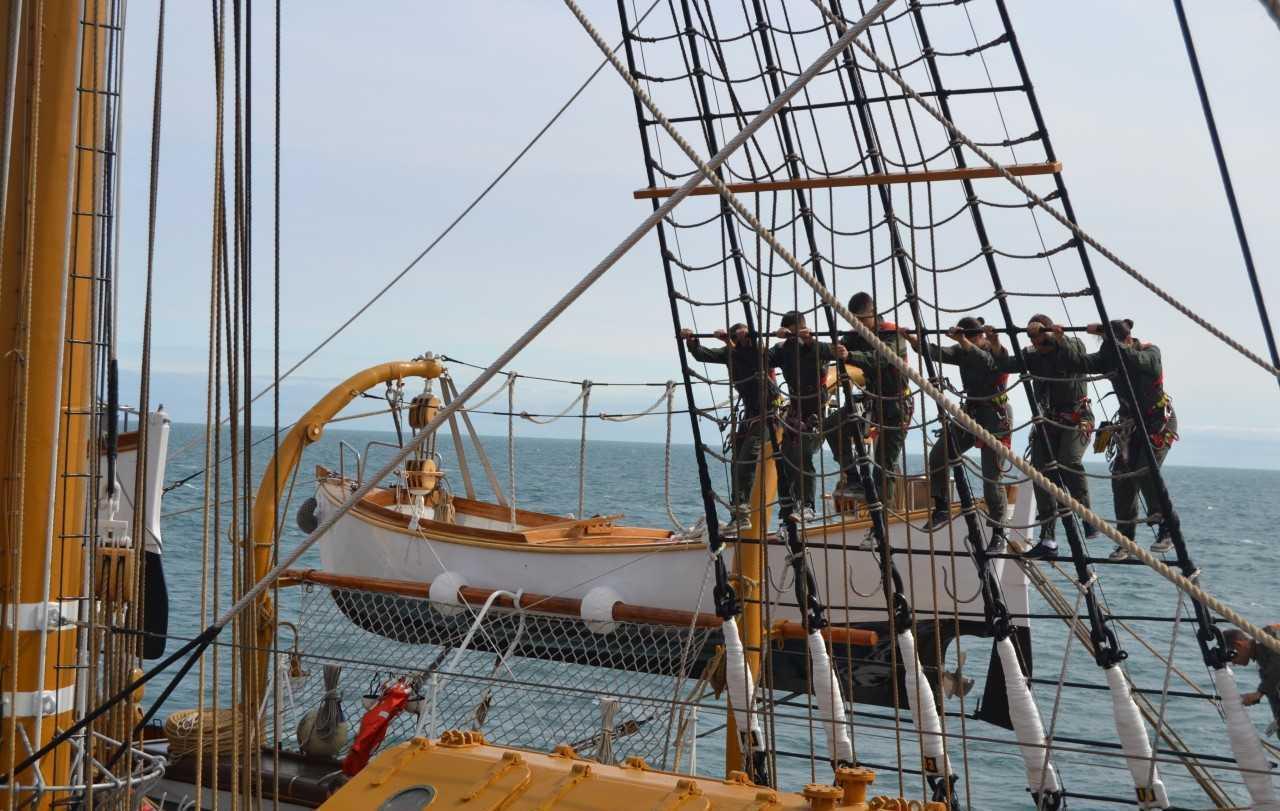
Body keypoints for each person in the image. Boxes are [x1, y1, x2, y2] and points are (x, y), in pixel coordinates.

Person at [904, 318, 1012, 553]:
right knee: (938, 455)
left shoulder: (992, 350)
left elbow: (987, 362)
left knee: (991, 480)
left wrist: (963, 341)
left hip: (995, 416)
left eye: (969, 339)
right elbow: (935, 352)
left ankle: (998, 532)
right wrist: (913, 339)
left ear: (977, 337)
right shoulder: (962, 350)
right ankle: (941, 506)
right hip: (970, 413)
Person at [1078, 318, 1178, 561]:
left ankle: (1167, 528)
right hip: (1129, 427)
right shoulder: (1110, 355)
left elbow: (1137, 361)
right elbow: (1081, 363)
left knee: (1145, 470)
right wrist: (1060, 342)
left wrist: (1107, 338)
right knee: (1121, 479)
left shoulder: (1149, 352)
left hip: (1157, 423)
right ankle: (1126, 540)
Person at [998, 315, 1095, 560]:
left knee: (1069, 460)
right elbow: (1004, 363)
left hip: (1076, 418)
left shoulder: (1071, 344)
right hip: (1048, 422)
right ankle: (1048, 539)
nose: (1036, 342)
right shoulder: (1033, 356)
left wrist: (1057, 337)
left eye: (1039, 336)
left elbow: (1075, 357)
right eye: (1032, 337)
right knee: (1040, 473)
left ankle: (1086, 515)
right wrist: (994, 343)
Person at [682, 324, 776, 528]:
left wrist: (731, 342)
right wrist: (691, 340)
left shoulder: (760, 353)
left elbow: (750, 360)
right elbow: (702, 354)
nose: (742, 341)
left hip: (768, 415)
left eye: (745, 338)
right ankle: (739, 514)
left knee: (746, 459)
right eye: (739, 338)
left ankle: (742, 513)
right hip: (750, 414)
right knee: (736, 462)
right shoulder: (729, 353)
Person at [766, 310, 847, 522]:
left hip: (817, 412)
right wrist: (775, 338)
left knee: (803, 454)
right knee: (786, 458)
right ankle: (791, 509)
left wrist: (809, 339)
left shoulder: (815, 348)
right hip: (795, 410)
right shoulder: (782, 350)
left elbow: (834, 352)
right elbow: (763, 360)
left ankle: (809, 505)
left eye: (795, 335)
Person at [838, 292, 910, 512]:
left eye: (861, 320)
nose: (857, 324)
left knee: (883, 464)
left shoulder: (892, 335)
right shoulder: (855, 335)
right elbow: (835, 348)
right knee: (835, 426)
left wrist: (849, 355)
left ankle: (881, 520)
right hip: (872, 403)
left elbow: (879, 358)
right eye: (853, 320)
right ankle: (853, 478)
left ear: (873, 313)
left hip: (896, 406)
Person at [1224, 626, 1280, 737]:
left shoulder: (1267, 636)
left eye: (1232, 657)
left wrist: (1259, 693)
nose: (1234, 663)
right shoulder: (1263, 664)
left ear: (1238, 645)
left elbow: (1277, 663)